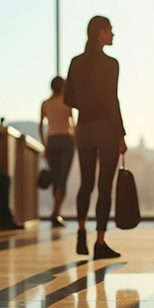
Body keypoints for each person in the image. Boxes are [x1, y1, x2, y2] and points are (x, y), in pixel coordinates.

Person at [64, 16, 126, 259]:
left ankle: (81, 232)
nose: (112, 35)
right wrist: (120, 134)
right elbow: (112, 100)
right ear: (100, 33)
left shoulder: (76, 62)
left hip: (85, 128)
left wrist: (86, 105)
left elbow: (68, 98)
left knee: (86, 184)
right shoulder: (111, 64)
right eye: (110, 30)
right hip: (105, 129)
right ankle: (100, 242)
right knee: (104, 188)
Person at [40, 76, 76, 227]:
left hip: (53, 140)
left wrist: (45, 145)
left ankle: (55, 213)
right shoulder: (67, 102)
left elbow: (41, 125)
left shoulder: (46, 104)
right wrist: (75, 141)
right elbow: (72, 124)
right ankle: (56, 212)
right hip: (66, 140)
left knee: (56, 178)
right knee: (62, 178)